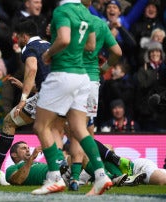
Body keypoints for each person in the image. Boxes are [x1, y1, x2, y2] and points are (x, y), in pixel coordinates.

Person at [32, 0, 112, 195]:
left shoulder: (62, 11)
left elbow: (65, 40)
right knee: (78, 129)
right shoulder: (86, 13)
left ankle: (54, 177)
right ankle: (101, 176)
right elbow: (91, 45)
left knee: (41, 126)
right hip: (83, 77)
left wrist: (49, 53)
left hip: (62, 74)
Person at [0, 19, 68, 181]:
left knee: (10, 122)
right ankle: (65, 167)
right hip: (65, 91)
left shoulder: (29, 48)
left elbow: (32, 69)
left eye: (17, 36)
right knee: (58, 130)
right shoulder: (48, 45)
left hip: (48, 93)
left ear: (24, 36)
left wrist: (23, 99)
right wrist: (25, 86)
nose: (15, 39)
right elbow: (47, 76)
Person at [66, 0, 122, 191]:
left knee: (73, 130)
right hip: (91, 82)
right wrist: (104, 68)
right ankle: (95, 174)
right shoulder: (99, 24)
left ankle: (75, 177)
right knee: (87, 131)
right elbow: (117, 52)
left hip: (72, 78)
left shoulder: (70, 19)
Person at [5, 141, 131, 186]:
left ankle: (120, 177)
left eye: (27, 147)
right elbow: (18, 180)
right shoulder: (12, 168)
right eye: (23, 148)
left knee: (104, 148)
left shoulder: (37, 163)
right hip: (53, 178)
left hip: (65, 173)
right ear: (14, 155)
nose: (27, 149)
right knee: (83, 150)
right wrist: (31, 158)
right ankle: (113, 177)